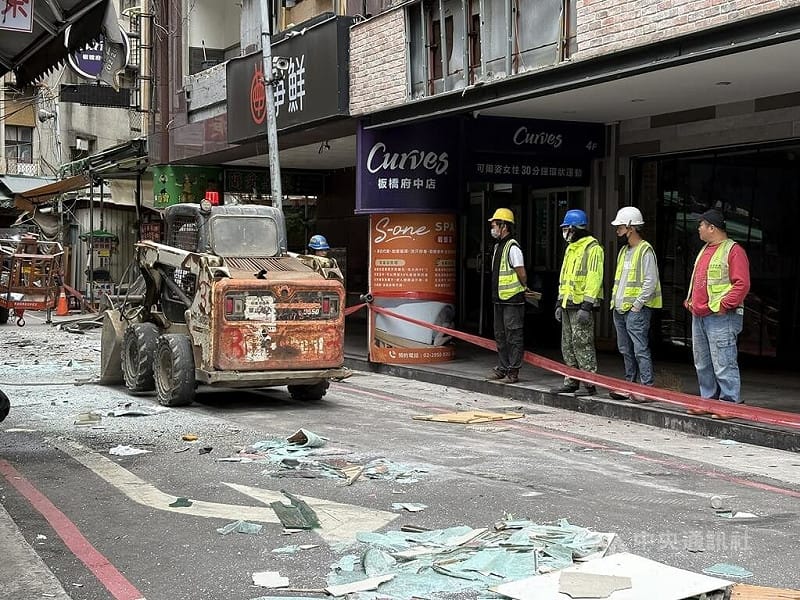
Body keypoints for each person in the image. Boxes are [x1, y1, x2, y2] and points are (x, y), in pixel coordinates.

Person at [685, 209, 750, 411]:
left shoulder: (733, 251)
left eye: (701, 225)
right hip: (701, 314)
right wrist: (690, 301)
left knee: (723, 361)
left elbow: (742, 284)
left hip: (721, 316)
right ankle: (708, 401)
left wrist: (724, 305)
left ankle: (729, 404)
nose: (698, 229)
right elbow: (699, 279)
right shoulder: (705, 249)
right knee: (702, 362)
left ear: (712, 228)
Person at [608, 206, 662, 401]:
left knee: (639, 348)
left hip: (636, 310)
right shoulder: (624, 251)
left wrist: (637, 305)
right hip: (621, 309)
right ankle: (629, 385)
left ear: (631, 227)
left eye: (620, 226)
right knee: (625, 349)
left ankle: (646, 388)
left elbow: (650, 281)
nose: (617, 230)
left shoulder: (645, 250)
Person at [550, 209, 604, 397]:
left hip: (581, 306)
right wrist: (559, 302)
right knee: (568, 344)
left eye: (567, 228)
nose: (565, 232)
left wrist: (587, 306)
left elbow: (594, 279)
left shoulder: (593, 248)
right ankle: (571, 380)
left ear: (576, 228)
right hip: (567, 304)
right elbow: (564, 278)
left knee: (583, 343)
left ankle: (589, 383)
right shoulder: (571, 249)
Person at [486, 208, 528, 384]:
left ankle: (513, 370)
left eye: (495, 225)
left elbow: (521, 272)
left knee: (513, 335)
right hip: (499, 299)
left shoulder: (513, 247)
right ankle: (503, 367)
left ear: (504, 226)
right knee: (500, 335)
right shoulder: (498, 247)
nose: (493, 228)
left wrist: (524, 287)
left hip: (512, 300)